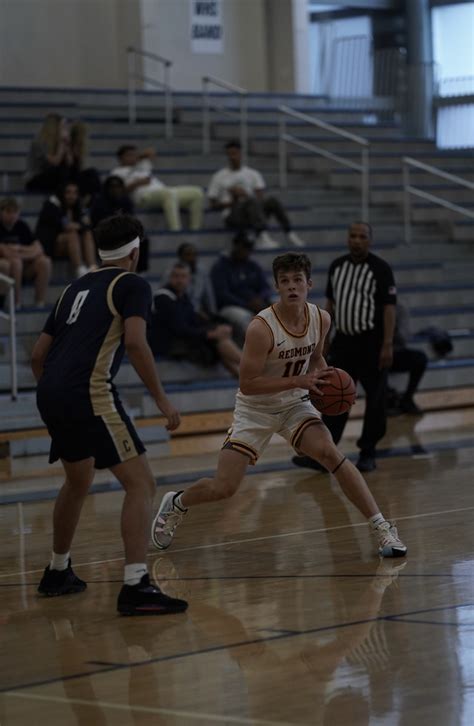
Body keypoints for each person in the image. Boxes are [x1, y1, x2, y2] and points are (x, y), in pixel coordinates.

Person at [151, 252, 407, 559]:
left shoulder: (321, 318)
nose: (292, 287)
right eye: (284, 281)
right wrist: (297, 382)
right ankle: (177, 503)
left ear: (309, 284)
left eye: (297, 280)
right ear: (277, 287)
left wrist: (326, 379)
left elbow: (315, 358)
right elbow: (248, 383)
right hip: (255, 409)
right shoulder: (261, 328)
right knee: (225, 487)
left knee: (331, 454)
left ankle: (381, 528)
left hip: (295, 404)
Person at [30, 214, 188, 616]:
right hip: (89, 392)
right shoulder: (132, 284)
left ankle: (57, 570)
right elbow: (136, 343)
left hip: (50, 391)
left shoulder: (73, 287)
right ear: (135, 252)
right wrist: (163, 401)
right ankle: (136, 584)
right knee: (141, 483)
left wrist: (57, 392)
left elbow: (37, 356)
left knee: (77, 480)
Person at [293, 222, 396, 474]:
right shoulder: (337, 266)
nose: (357, 240)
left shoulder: (381, 269)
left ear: (369, 240)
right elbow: (330, 304)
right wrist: (324, 340)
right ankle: (325, 454)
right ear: (347, 238)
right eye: (353, 236)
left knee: (376, 400)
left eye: (362, 236)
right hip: (344, 341)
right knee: (334, 397)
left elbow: (389, 308)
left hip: (372, 343)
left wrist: (387, 343)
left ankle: (368, 452)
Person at [207, 139, 305, 250]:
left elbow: (260, 199)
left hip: (252, 211)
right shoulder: (219, 176)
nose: (232, 157)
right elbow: (212, 204)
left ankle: (289, 233)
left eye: (234, 154)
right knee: (251, 201)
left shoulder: (253, 174)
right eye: (229, 154)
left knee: (271, 201)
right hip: (231, 214)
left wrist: (244, 195)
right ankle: (261, 236)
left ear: (240, 154)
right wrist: (233, 200)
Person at [151, 262, 241, 377]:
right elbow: (180, 329)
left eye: (183, 276)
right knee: (217, 340)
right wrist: (209, 334)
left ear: (189, 279)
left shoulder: (183, 296)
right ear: (170, 278)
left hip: (182, 338)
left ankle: (244, 379)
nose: (179, 280)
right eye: (176, 276)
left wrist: (216, 328)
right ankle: (254, 367)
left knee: (220, 338)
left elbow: (193, 319)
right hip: (168, 343)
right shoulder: (163, 297)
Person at [111, 145, 204, 231]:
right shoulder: (117, 172)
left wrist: (138, 157)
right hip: (144, 197)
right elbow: (119, 192)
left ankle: (195, 229)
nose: (133, 157)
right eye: (129, 155)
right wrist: (137, 183)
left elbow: (151, 152)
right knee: (169, 194)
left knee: (197, 193)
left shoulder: (141, 164)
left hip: (163, 192)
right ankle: (175, 230)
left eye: (134, 155)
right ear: (120, 158)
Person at [210, 231, 273, 343]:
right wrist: (246, 304)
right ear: (235, 245)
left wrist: (260, 298)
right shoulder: (221, 266)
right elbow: (222, 294)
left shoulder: (253, 266)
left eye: (248, 248)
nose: (245, 251)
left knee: (282, 309)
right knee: (247, 319)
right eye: (243, 246)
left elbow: (266, 288)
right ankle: (255, 353)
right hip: (231, 306)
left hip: (255, 303)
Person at [35, 182, 97, 278]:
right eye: (68, 192)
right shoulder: (51, 205)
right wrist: (80, 225)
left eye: (75, 193)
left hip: (73, 245)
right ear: (62, 193)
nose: (72, 196)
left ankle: (93, 267)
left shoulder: (78, 206)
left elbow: (88, 224)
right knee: (72, 234)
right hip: (50, 245)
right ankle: (80, 270)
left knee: (87, 233)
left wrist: (80, 225)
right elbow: (66, 226)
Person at [0, 197, 51, 309]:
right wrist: (28, 251)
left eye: (15, 212)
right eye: (8, 212)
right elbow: (6, 253)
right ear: (1, 212)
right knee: (15, 262)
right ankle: (16, 302)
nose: (12, 215)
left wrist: (19, 248)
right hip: (9, 268)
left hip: (24, 267)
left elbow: (39, 249)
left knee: (44, 261)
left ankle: (40, 302)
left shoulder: (21, 226)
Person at [90, 176, 149, 273]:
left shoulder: (126, 201)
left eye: (118, 186)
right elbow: (97, 224)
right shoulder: (99, 202)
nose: (115, 189)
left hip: (123, 233)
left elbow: (132, 222)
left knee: (142, 240)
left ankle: (138, 271)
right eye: (112, 187)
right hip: (105, 234)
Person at [387, 301, 428, 415]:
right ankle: (386, 397)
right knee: (369, 359)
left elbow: (404, 338)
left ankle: (407, 399)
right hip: (375, 354)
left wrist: (391, 327)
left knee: (420, 358)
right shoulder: (371, 309)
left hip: (396, 352)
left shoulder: (399, 308)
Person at [24, 114, 73, 193]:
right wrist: (61, 142)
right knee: (61, 173)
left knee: (84, 173)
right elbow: (55, 162)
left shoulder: (57, 143)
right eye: (62, 127)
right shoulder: (39, 141)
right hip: (35, 178)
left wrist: (67, 144)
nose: (65, 130)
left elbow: (70, 162)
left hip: (51, 176)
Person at [173, 241, 217, 318]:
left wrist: (212, 314)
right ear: (180, 257)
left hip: (198, 314)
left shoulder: (202, 272)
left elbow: (209, 296)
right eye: (188, 255)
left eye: (194, 254)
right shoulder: (173, 273)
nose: (192, 258)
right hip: (179, 314)